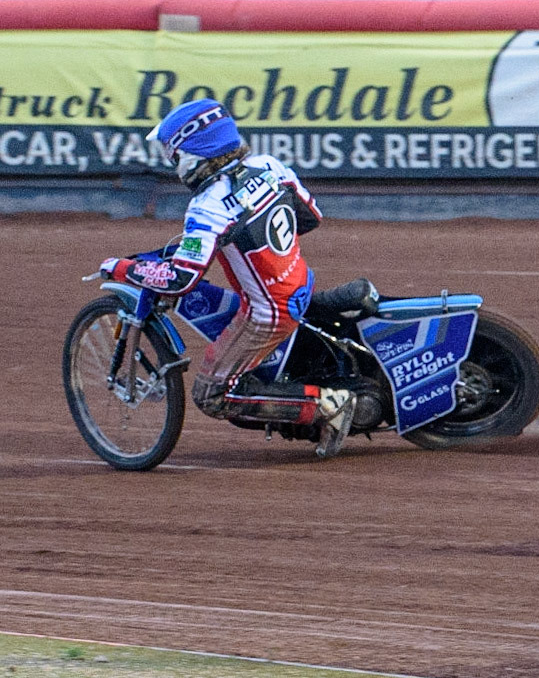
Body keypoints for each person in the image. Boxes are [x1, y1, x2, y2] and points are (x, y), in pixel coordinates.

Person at [97, 99, 355, 458]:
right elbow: (310, 217)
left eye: (175, 157)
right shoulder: (269, 165)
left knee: (211, 395)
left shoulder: (209, 205)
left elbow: (179, 280)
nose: (174, 167)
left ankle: (327, 405)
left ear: (193, 155)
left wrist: (122, 268)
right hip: (300, 282)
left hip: (267, 314)